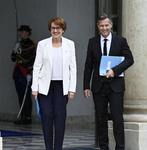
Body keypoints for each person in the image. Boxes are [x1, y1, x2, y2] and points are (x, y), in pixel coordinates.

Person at [83, 13, 134, 150]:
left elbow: (130, 59)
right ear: (98, 26)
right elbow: (88, 65)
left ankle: (120, 148)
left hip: (116, 86)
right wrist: (86, 86)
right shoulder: (92, 42)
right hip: (98, 87)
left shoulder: (120, 41)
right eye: (101, 26)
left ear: (111, 25)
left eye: (107, 25)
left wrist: (114, 70)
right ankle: (104, 147)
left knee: (117, 119)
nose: (104, 28)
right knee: (101, 120)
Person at [31, 17, 77, 150]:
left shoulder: (70, 44)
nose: (55, 31)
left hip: (62, 86)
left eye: (58, 28)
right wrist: (35, 88)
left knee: (60, 118)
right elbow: (37, 66)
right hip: (45, 86)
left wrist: (71, 88)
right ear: (50, 29)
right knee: (46, 116)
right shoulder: (42, 44)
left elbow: (72, 68)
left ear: (63, 29)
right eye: (53, 28)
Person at [11, 25, 36, 125]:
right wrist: (15, 50)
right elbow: (13, 58)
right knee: (20, 94)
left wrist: (30, 72)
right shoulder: (19, 44)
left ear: (27, 33)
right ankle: (23, 116)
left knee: (27, 94)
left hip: (26, 71)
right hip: (18, 70)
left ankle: (28, 117)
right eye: (20, 31)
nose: (20, 33)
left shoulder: (32, 44)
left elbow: (34, 60)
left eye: (22, 31)